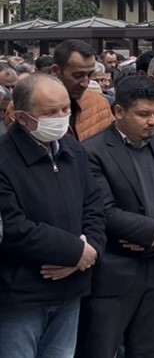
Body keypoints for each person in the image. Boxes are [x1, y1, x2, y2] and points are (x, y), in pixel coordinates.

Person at [79, 77, 154, 358]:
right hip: (116, 270)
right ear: (118, 112)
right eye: (143, 114)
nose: (153, 121)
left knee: (152, 350)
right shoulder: (93, 152)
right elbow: (104, 211)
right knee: (101, 349)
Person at [0, 75, 105, 357]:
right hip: (21, 295)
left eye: (64, 109)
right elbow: (11, 227)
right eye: (49, 112)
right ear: (21, 117)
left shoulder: (73, 151)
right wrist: (74, 251)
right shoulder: (4, 160)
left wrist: (89, 251)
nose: (60, 118)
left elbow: (95, 206)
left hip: (71, 288)